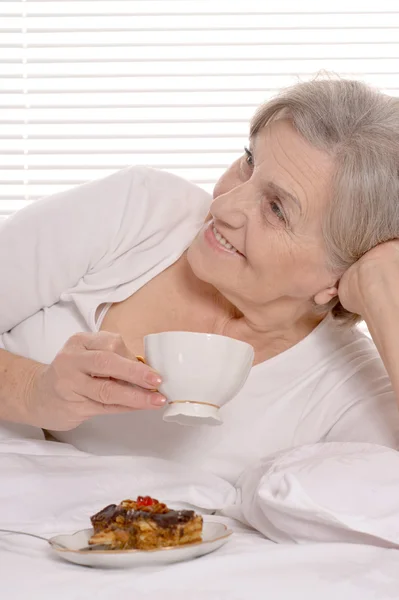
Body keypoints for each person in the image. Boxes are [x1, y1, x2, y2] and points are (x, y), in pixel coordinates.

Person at [1, 77, 399, 484]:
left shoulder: (344, 384)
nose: (224, 205)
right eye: (248, 161)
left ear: (337, 275)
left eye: (276, 209)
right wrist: (34, 392)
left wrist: (387, 296)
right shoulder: (140, 210)